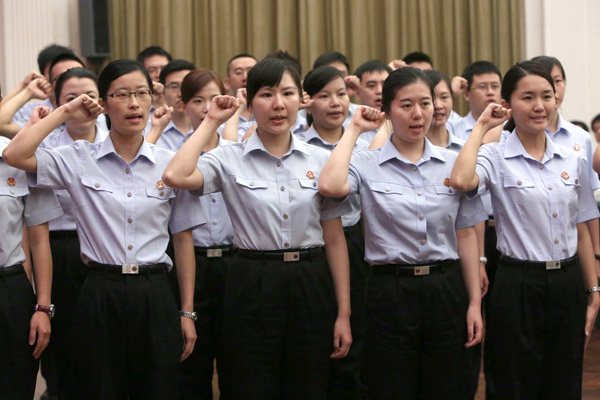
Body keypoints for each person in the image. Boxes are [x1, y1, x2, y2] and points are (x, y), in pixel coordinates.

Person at [2, 59, 205, 400]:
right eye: (122, 94)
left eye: (141, 93)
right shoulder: (79, 157)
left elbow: (183, 240)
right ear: (104, 104)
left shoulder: (171, 162)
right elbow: (15, 153)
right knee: (100, 388)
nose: (133, 103)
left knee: (159, 387)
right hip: (99, 289)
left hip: (155, 290)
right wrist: (65, 110)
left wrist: (186, 311)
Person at [162, 58, 352, 400]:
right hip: (251, 279)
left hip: (311, 279)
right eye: (266, 94)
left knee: (308, 382)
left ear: (302, 100)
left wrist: (344, 312)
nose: (278, 104)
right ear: (249, 103)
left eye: (288, 93)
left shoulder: (321, 160)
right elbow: (175, 175)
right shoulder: (229, 157)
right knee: (249, 382)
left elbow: (336, 241)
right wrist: (211, 121)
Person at [319, 67, 485, 400]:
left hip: (445, 287)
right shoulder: (367, 162)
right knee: (389, 386)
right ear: (387, 112)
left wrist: (474, 304)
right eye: (406, 105)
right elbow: (330, 185)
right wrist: (354, 129)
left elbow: (466, 234)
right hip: (389, 290)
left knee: (445, 384)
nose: (418, 113)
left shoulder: (453, 163)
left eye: (425, 103)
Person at [450, 61, 600, 399]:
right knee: (512, 381)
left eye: (546, 96)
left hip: (566, 283)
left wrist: (593, 290)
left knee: (564, 380)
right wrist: (482, 126)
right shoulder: (495, 155)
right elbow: (460, 180)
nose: (539, 106)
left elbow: (583, 228)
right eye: (527, 97)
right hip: (516, 283)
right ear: (507, 104)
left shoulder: (571, 158)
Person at [157, 68, 234, 399]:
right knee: (192, 363)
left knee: (237, 360)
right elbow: (181, 232)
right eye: (197, 100)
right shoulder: (175, 157)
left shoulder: (238, 151)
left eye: (213, 98)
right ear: (182, 105)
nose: (206, 107)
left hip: (235, 264)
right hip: (192, 264)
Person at [36, 67, 108, 398]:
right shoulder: (47, 144)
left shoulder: (117, 140)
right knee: (63, 345)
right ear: (57, 102)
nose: (84, 103)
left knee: (105, 344)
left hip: (108, 254)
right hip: (61, 250)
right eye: (72, 98)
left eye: (91, 96)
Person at [298, 66, 369, 400]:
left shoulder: (365, 142)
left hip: (356, 243)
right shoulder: (295, 145)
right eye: (324, 95)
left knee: (355, 333)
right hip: (312, 247)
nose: (334, 102)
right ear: (307, 101)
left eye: (341, 93)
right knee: (315, 335)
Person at [0, 84, 62, 400]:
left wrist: (43, 307)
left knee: (15, 385)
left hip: (10, 290)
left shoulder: (17, 157)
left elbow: (39, 241)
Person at [155, 59, 196, 149]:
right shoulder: (149, 130)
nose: (181, 93)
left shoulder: (215, 129)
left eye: (186, 86)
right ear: (163, 92)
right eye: (174, 86)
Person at [352, 60, 392, 143]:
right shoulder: (349, 128)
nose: (380, 91)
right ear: (358, 93)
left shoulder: (405, 125)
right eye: (371, 86)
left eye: (385, 84)